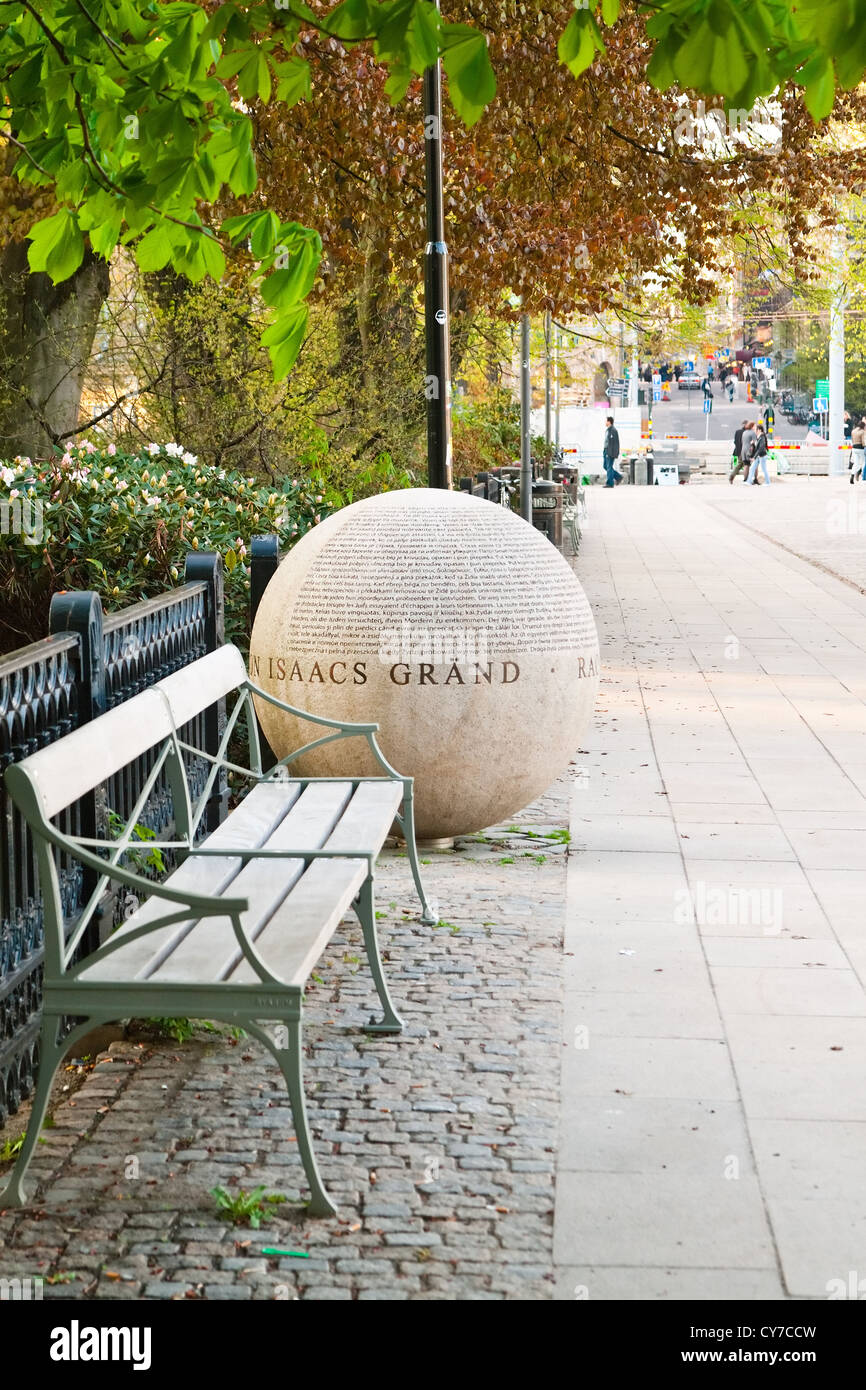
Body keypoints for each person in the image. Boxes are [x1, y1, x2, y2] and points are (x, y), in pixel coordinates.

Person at [603, 415, 622, 487]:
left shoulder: (613, 430)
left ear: (609, 422)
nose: (605, 422)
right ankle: (618, 477)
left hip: (609, 452)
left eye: (606, 421)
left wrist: (613, 453)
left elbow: (615, 443)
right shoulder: (608, 430)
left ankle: (610, 483)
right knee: (606, 466)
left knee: (609, 467)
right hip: (606, 450)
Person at [850, 417, 865, 483]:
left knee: (856, 463)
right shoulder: (862, 432)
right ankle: (860, 471)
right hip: (860, 448)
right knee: (864, 462)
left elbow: (852, 440)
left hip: (854, 448)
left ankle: (852, 475)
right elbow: (863, 441)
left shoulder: (853, 431)